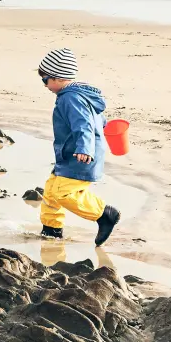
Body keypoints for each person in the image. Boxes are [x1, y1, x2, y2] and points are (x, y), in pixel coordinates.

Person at [37, 47, 120, 246]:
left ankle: (104, 214)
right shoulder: (80, 94)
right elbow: (96, 118)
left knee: (63, 192)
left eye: (45, 80)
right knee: (51, 189)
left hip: (81, 155)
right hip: (70, 154)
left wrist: (85, 148)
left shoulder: (70, 98)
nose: (44, 85)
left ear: (58, 78)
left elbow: (84, 124)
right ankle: (51, 230)